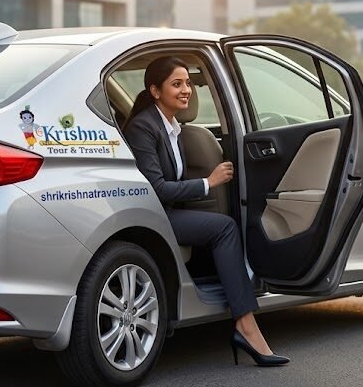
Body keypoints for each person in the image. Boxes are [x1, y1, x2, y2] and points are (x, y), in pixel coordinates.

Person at [122, 56, 289, 367]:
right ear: (155, 91)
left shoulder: (171, 126)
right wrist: (208, 183)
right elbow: (157, 189)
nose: (186, 90)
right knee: (224, 227)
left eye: (187, 83)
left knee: (222, 225)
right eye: (177, 84)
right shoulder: (143, 128)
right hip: (151, 218)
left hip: (164, 213)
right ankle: (246, 326)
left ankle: (244, 319)